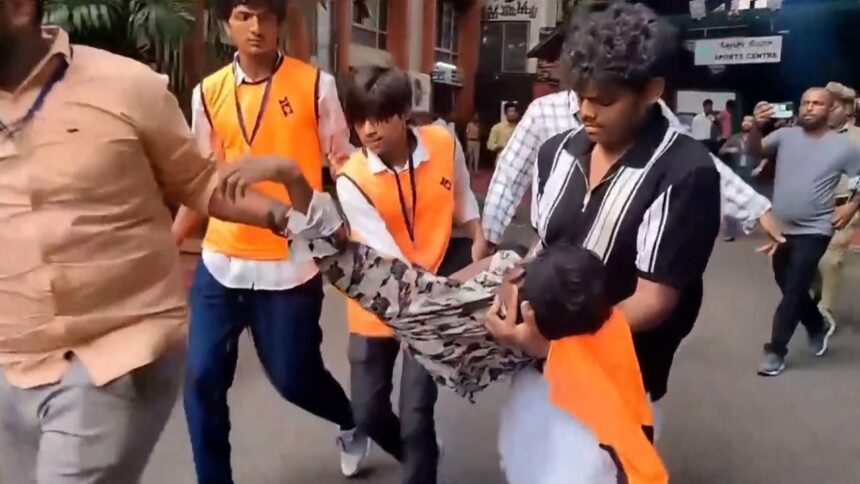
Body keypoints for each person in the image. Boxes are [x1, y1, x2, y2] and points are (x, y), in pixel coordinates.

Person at [217, 157, 668, 484]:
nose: (500, 294)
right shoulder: (518, 289)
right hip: (460, 313)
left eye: (506, 302)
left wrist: (292, 181)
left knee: (415, 415)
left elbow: (633, 451)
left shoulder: (577, 364)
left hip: (490, 344)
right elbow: (389, 276)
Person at [0, 1, 297, 482]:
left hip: (113, 355)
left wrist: (291, 217)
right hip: (11, 361)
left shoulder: (125, 86)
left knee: (286, 375)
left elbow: (198, 182)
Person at [169, 0, 369, 481]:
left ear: (280, 23)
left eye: (265, 16)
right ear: (226, 26)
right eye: (243, 16)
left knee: (295, 379)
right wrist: (168, 242)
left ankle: (350, 420)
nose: (256, 27)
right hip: (222, 261)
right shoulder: (207, 93)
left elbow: (344, 162)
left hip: (291, 265)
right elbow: (201, 180)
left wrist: (361, 225)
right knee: (201, 379)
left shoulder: (315, 85)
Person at [527, 3, 723, 420]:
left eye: (605, 100)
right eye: (581, 96)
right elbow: (543, 246)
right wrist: (513, 295)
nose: (586, 111)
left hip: (626, 368)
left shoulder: (685, 171)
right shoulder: (554, 153)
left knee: (608, 453)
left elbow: (654, 299)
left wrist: (561, 342)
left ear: (651, 91)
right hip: (543, 362)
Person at [335, 65, 483, 484]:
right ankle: (421, 455)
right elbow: (386, 255)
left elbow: (461, 192)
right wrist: (416, 309)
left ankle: (420, 465)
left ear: (404, 113)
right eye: (359, 120)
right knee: (367, 412)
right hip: (377, 300)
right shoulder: (352, 179)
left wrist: (476, 232)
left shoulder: (443, 142)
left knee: (417, 412)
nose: (368, 130)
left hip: (430, 298)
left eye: (379, 117)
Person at [477, 92, 781, 265]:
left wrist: (755, 207)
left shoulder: (645, 109)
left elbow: (693, 161)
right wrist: (488, 237)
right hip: (557, 257)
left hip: (630, 258)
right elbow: (508, 176)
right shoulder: (544, 113)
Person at [748, 88, 860, 376]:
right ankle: (816, 324)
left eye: (817, 104)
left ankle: (775, 351)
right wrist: (757, 127)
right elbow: (756, 151)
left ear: (830, 110)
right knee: (786, 283)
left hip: (816, 228)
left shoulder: (845, 146)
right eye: (805, 103)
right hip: (781, 228)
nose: (810, 108)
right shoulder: (785, 136)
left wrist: (851, 206)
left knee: (795, 286)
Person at [811, 82, 860, 328]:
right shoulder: (811, 136)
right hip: (811, 209)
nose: (828, 111)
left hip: (845, 207)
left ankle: (824, 312)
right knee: (807, 261)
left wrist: (853, 206)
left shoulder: (857, 138)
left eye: (834, 106)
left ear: (847, 109)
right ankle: (815, 296)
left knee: (830, 260)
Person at [719, 115, 759, 241]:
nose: (746, 123)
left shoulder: (757, 139)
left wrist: (760, 168)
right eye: (744, 121)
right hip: (736, 171)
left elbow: (766, 155)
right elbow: (721, 150)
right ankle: (729, 231)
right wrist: (729, 150)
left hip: (750, 172)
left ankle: (748, 222)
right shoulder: (734, 138)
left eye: (749, 121)